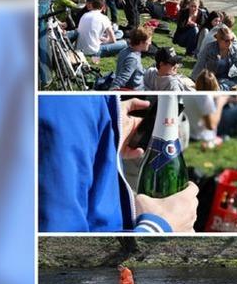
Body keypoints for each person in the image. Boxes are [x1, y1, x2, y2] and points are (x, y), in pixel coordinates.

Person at [39, 96, 199, 232]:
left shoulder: (72, 107)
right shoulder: (65, 106)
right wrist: (159, 227)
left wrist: (106, 128)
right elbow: (57, 231)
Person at [191, 26, 237, 90]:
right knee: (228, 86)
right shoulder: (209, 48)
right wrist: (193, 80)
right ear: (219, 40)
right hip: (215, 77)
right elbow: (199, 65)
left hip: (232, 75)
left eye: (232, 40)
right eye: (227, 40)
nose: (230, 43)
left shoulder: (234, 49)